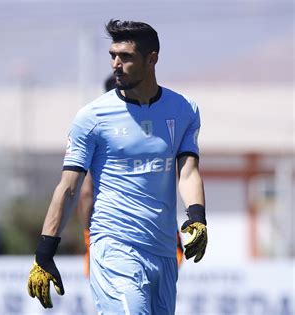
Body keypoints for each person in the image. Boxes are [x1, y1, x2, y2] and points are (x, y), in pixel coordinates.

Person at [27, 19, 208, 314]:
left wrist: (197, 216)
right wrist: (44, 252)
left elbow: (187, 171)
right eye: (112, 55)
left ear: (152, 59)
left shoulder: (184, 109)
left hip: (163, 250)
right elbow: (69, 187)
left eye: (125, 57)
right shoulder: (92, 117)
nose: (115, 64)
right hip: (114, 245)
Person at [78, 75, 185, 277]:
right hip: (161, 234)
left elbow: (85, 193)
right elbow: (183, 176)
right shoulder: (160, 128)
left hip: (113, 235)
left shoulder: (99, 129)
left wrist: (87, 235)